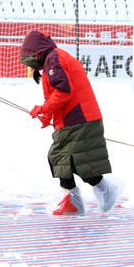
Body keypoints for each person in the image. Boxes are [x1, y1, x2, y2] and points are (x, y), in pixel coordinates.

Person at [19, 29, 121, 215]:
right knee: (59, 159)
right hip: (73, 119)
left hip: (80, 117)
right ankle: (72, 201)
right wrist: (48, 115)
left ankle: (105, 190)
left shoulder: (53, 59)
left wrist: (43, 109)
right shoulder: (53, 58)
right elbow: (55, 94)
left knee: (78, 162)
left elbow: (64, 92)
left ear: (37, 52)